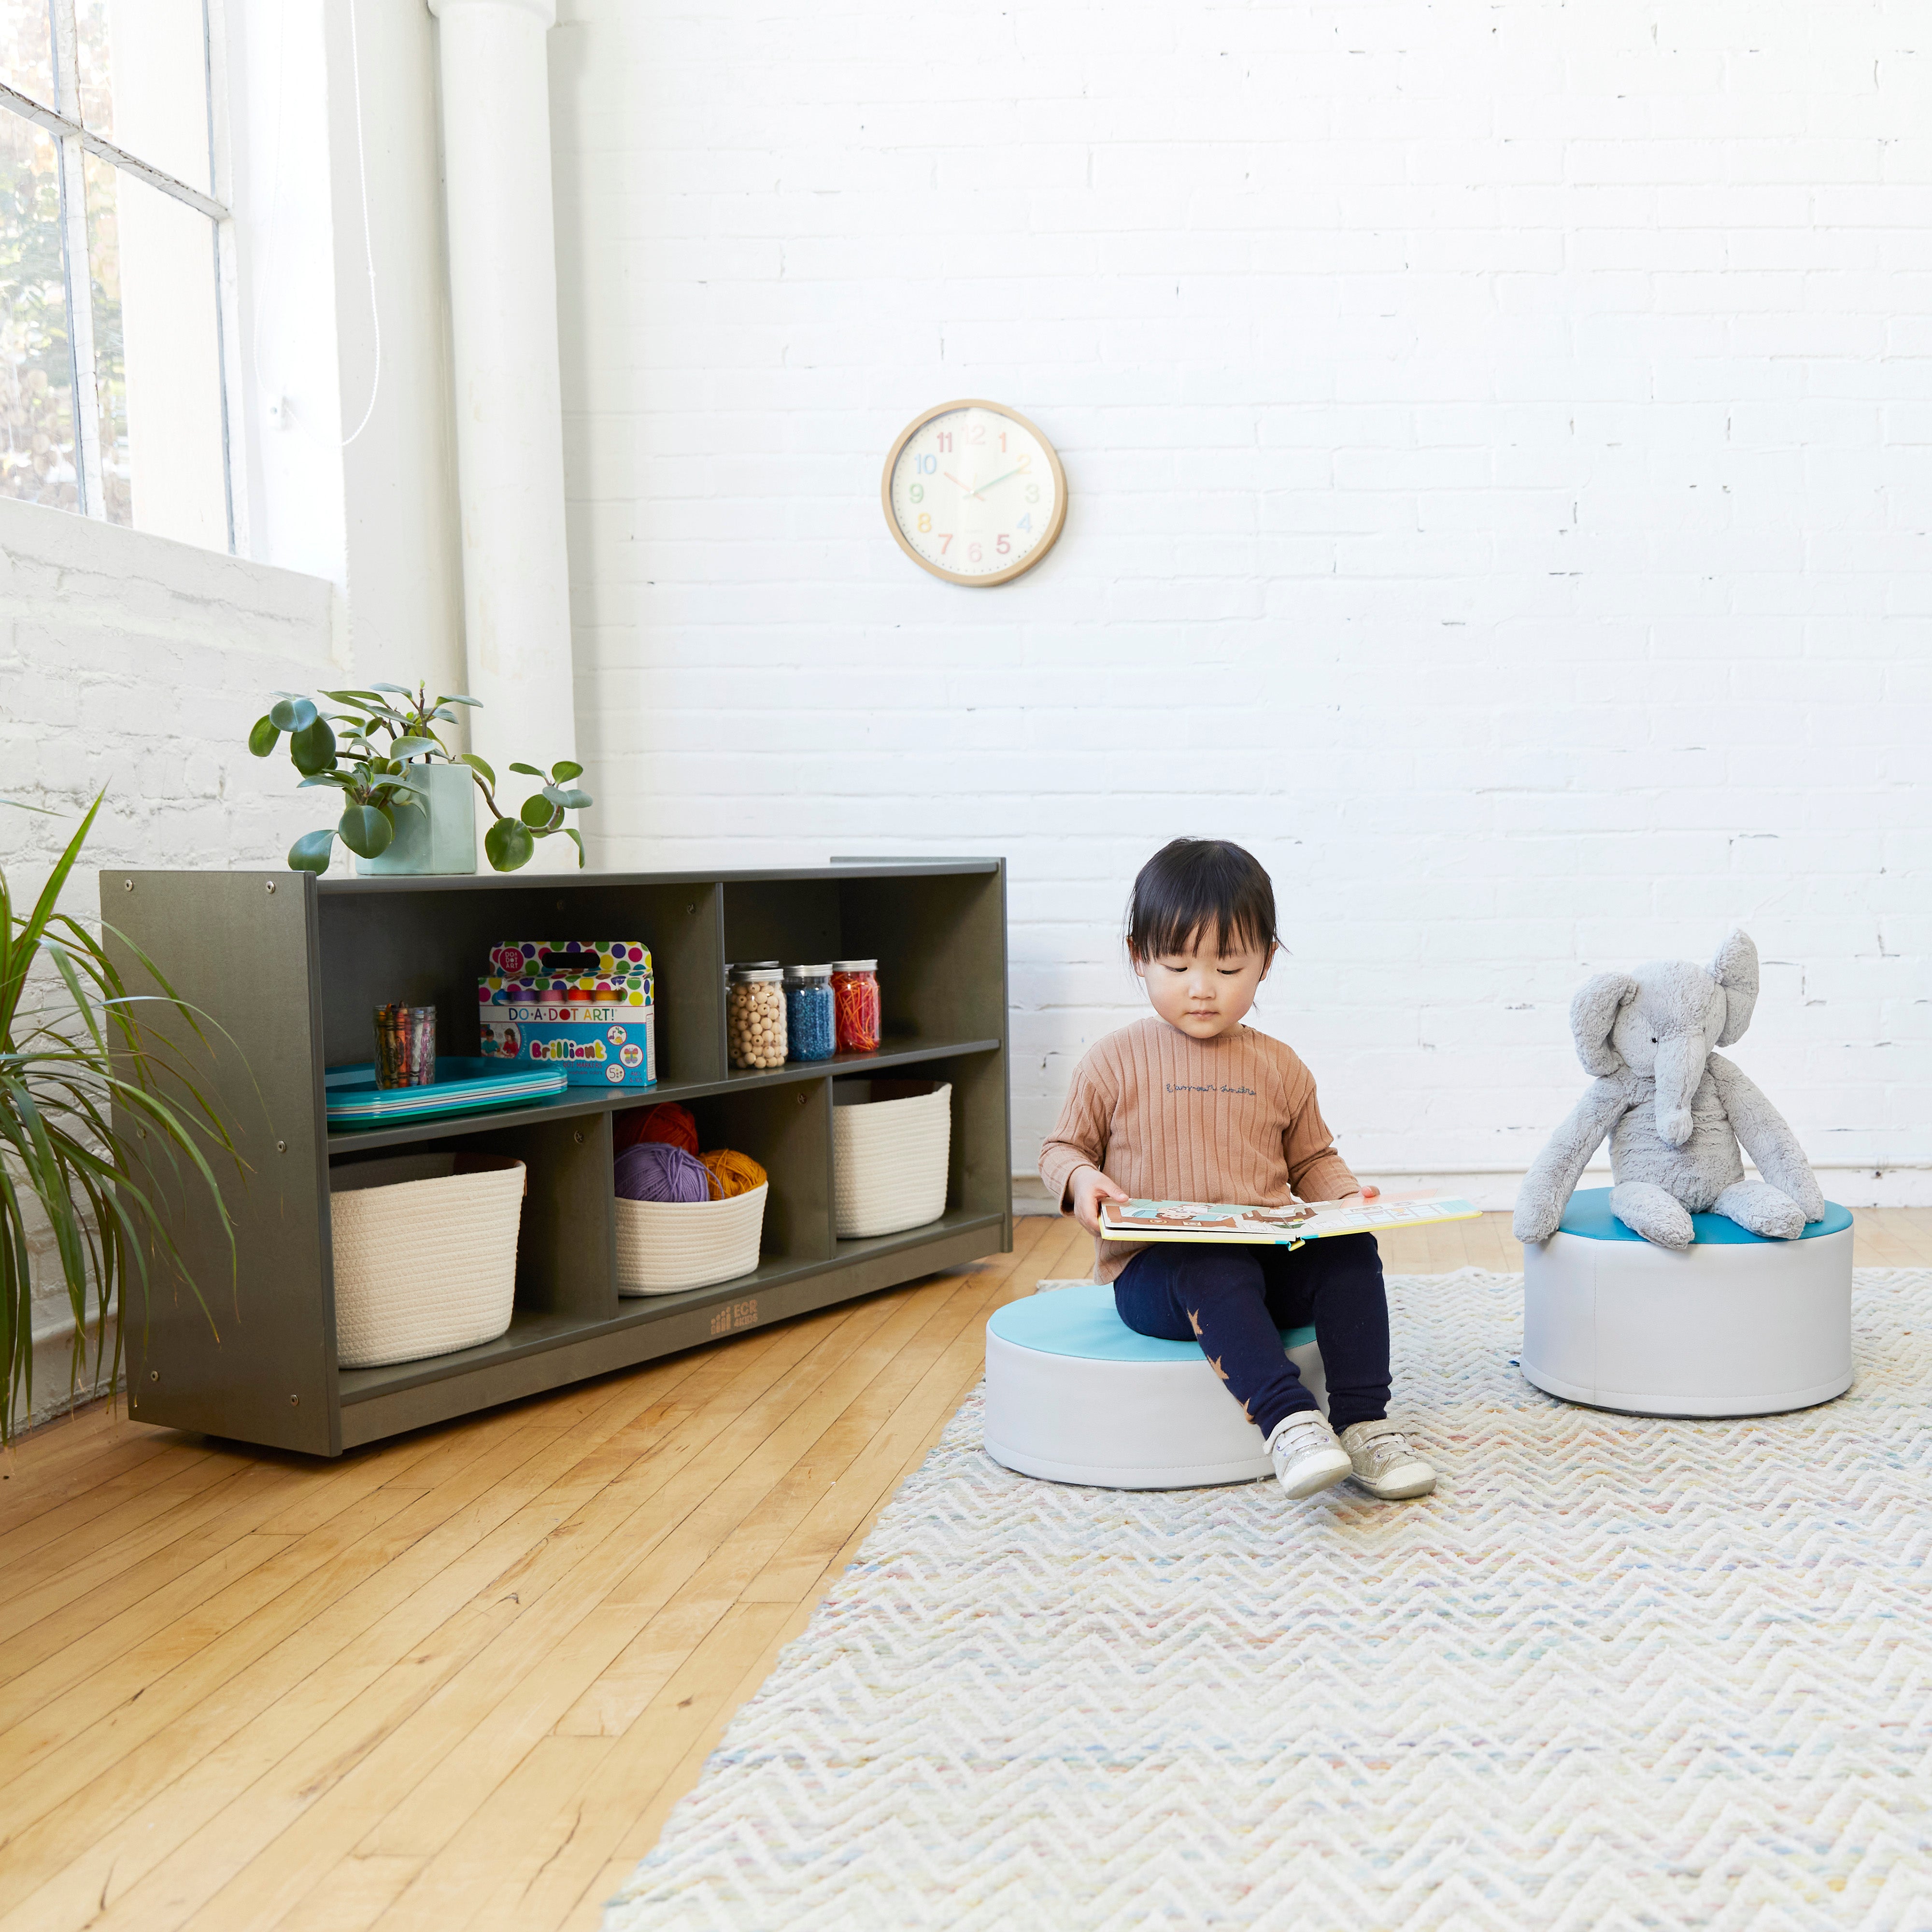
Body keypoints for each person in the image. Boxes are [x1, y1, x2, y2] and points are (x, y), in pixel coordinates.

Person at [1038, 838, 1437, 1503]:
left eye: (1228, 969)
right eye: (1176, 964)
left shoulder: (1279, 1066)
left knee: (1350, 1252)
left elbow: (1313, 1158)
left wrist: (1347, 1201)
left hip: (1264, 1256)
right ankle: (1288, 1423)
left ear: (1266, 963)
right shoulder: (1112, 1061)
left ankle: (1365, 1423)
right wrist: (1082, 1182)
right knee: (1210, 1264)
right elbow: (1061, 1149)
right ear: (1139, 956)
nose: (1202, 989)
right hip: (1158, 1274)